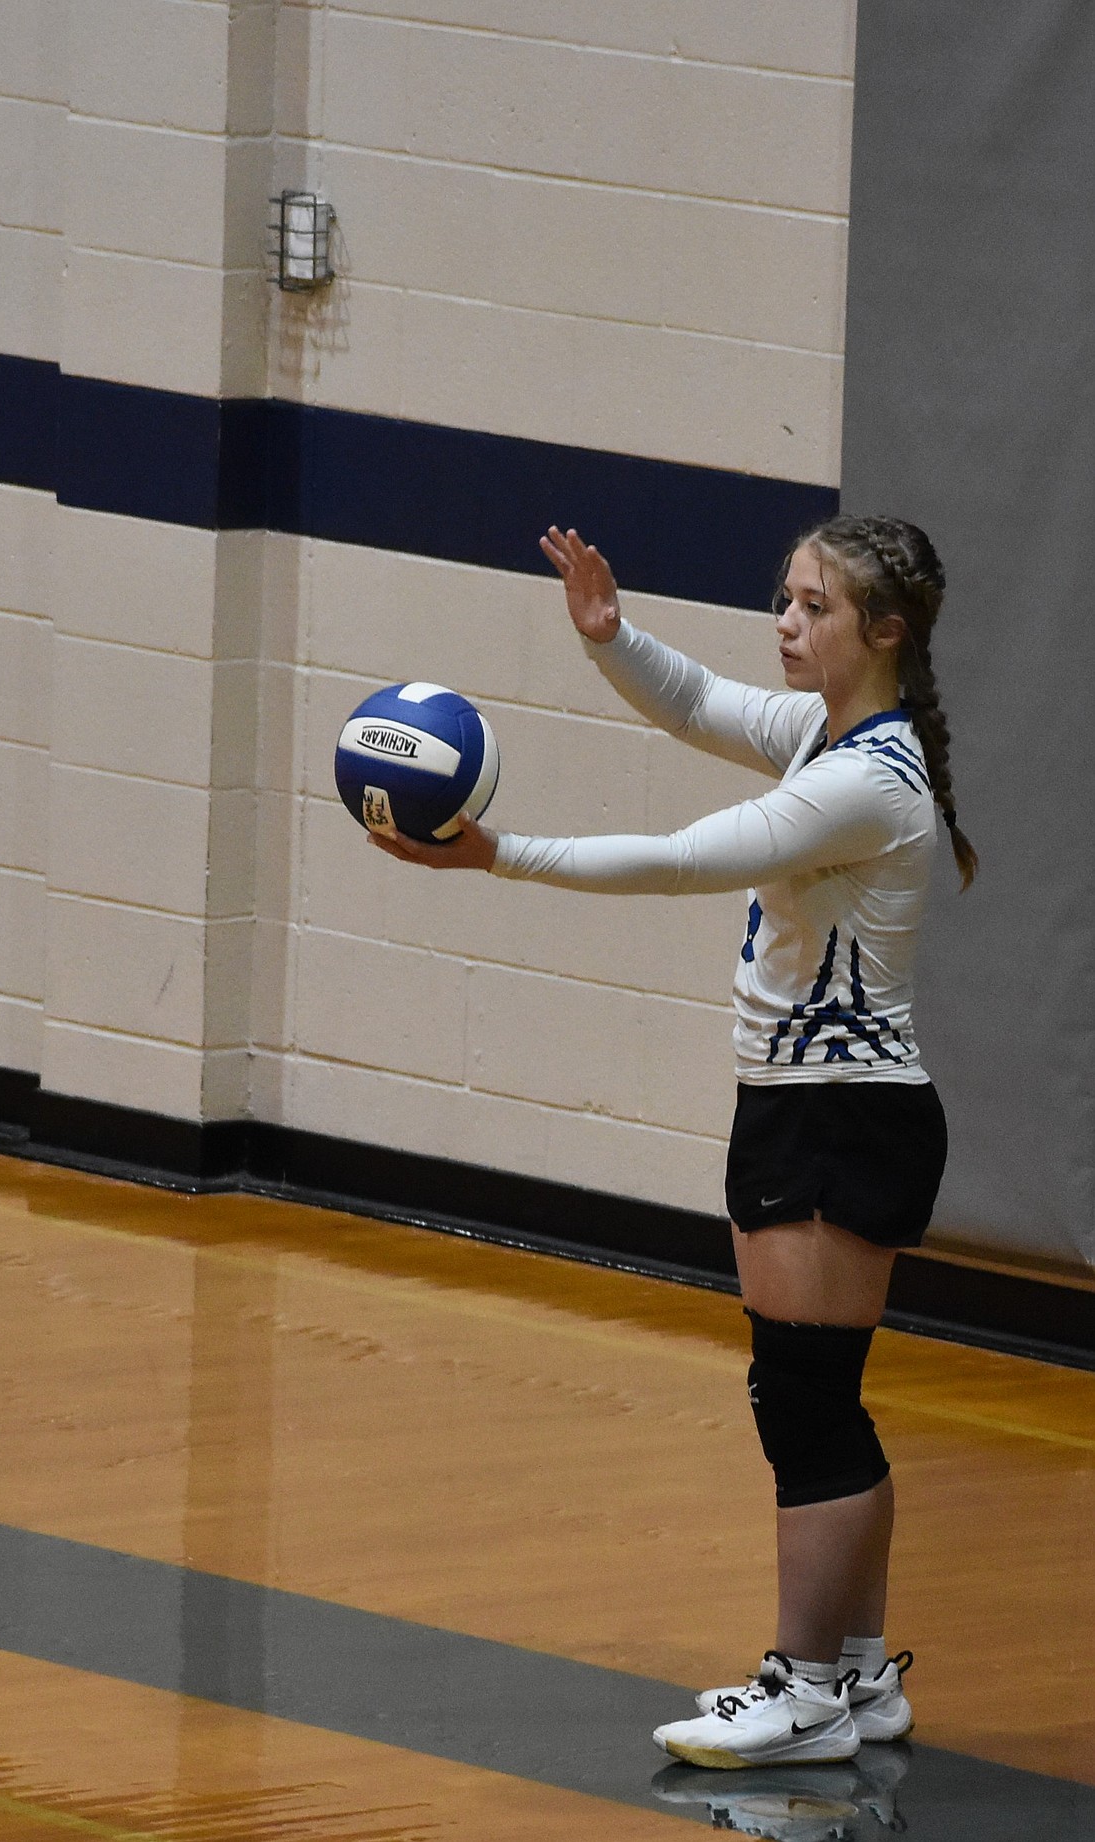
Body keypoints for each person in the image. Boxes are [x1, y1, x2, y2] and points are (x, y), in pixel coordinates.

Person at [369, 515, 977, 1771]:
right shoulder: (826, 732)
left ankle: (806, 1689)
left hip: (838, 1113)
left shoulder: (870, 779)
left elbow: (687, 858)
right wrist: (611, 639)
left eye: (814, 607)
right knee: (821, 1400)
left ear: (885, 632)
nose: (786, 623)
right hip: (815, 1107)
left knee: (803, 1406)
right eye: (785, 597)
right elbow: (700, 703)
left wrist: (497, 857)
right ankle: (857, 1678)